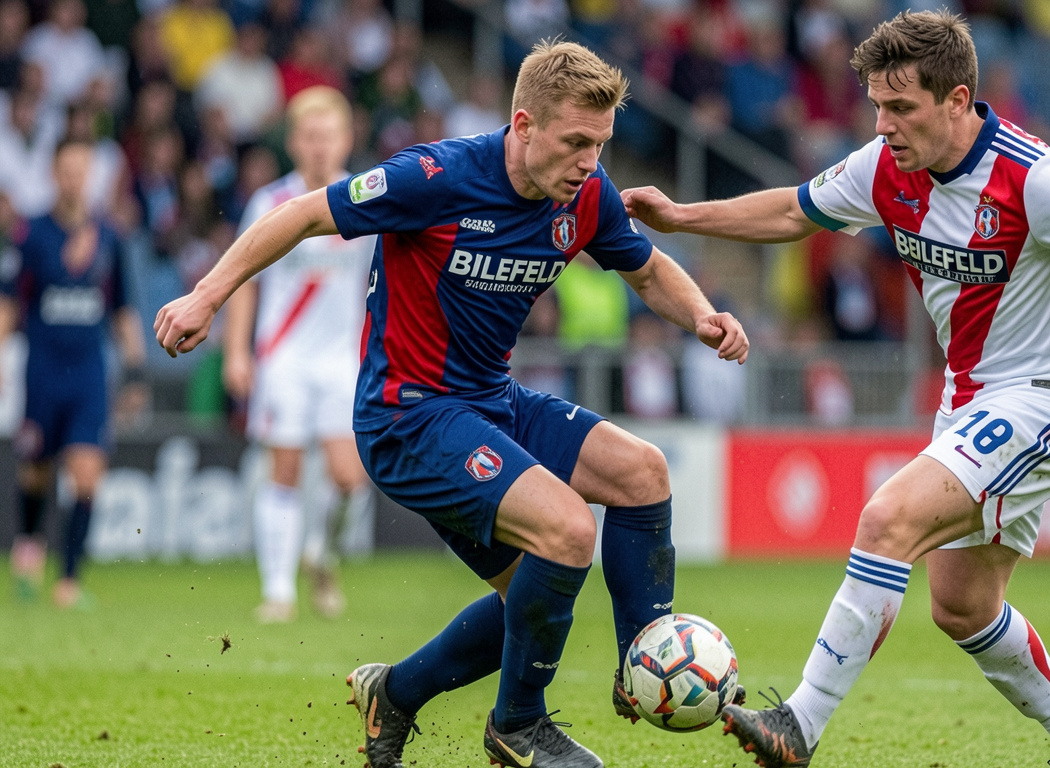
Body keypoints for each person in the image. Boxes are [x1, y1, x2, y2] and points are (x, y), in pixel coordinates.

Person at [621, 11, 1050, 768]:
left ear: (958, 99)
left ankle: (798, 725)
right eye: (876, 105)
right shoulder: (884, 167)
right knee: (963, 605)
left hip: (1048, 400)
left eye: (900, 107)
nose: (883, 124)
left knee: (885, 522)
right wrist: (681, 217)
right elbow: (791, 209)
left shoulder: (1037, 179)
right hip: (970, 401)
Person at [154, 40, 749, 768]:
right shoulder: (435, 177)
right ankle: (517, 726)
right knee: (563, 534)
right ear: (524, 125)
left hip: (490, 401)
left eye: (600, 144)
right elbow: (305, 214)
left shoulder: (584, 196)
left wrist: (702, 317)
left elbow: (647, 269)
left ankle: (631, 663)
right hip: (408, 416)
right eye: (575, 144)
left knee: (640, 477)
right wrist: (206, 295)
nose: (590, 163)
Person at [222, 86, 376, 624]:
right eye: (309, 137)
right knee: (282, 469)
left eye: (327, 136)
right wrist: (236, 352)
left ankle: (322, 555)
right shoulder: (268, 204)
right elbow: (243, 279)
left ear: (346, 139)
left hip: (341, 361)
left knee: (349, 479)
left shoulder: (366, 200)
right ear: (293, 142)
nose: (318, 146)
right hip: (282, 357)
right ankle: (279, 590)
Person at [2, 137, 146, 608]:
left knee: (86, 473)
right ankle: (28, 546)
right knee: (37, 472)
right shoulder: (31, 233)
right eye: (66, 170)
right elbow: (9, 302)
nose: (74, 178)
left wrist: (137, 367)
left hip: (88, 372)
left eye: (82, 170)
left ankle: (67, 580)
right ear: (53, 174)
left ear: (91, 176)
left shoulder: (109, 235)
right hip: (42, 371)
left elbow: (122, 307)